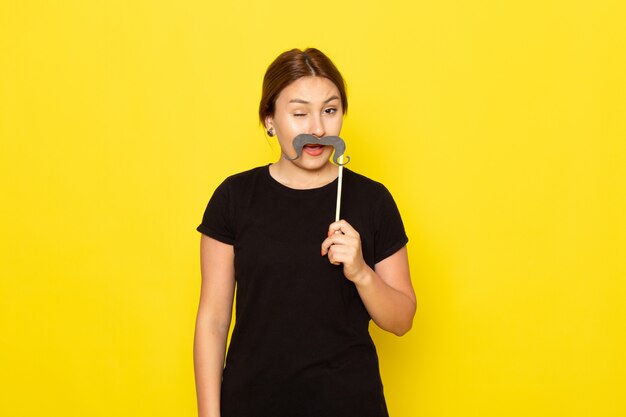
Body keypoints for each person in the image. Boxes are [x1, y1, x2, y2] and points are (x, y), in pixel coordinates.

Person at [194, 48, 416, 417]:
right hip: (251, 403)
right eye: (299, 113)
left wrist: (361, 272)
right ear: (269, 120)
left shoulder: (372, 201)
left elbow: (402, 321)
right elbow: (213, 321)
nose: (317, 128)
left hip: (349, 404)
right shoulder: (233, 198)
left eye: (330, 111)